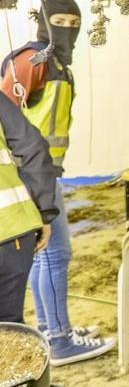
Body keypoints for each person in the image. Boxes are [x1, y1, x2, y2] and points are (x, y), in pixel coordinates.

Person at [0, 0, 113, 365]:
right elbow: (11, 122)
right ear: (43, 23)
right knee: (56, 253)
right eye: (58, 22)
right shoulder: (31, 62)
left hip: (48, 175)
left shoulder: (59, 66)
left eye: (73, 23)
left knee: (47, 255)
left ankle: (53, 329)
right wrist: (34, 188)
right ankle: (59, 339)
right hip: (31, 181)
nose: (66, 30)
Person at [0, 96, 58, 323]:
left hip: (11, 233)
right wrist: (43, 211)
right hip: (12, 232)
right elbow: (33, 146)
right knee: (10, 333)